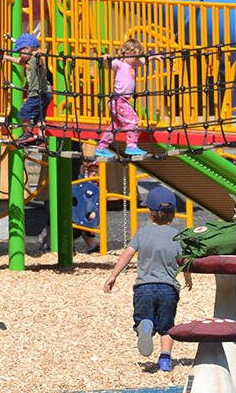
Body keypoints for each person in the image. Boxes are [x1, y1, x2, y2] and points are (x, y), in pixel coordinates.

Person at [103, 186, 191, 373]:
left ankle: (145, 326)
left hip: (144, 287)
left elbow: (128, 253)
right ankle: (165, 360)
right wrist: (187, 277)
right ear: (174, 213)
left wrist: (113, 275)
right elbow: (183, 261)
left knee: (144, 317)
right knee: (167, 326)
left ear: (149, 213)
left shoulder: (141, 233)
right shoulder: (177, 236)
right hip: (168, 288)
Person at [96, 39, 152, 160]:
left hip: (122, 100)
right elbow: (109, 66)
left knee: (115, 126)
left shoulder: (133, 64)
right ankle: (131, 145)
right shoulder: (120, 64)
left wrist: (153, 57)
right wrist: (106, 59)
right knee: (133, 119)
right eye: (135, 56)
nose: (137, 59)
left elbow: (143, 60)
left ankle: (101, 147)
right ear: (126, 53)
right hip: (118, 99)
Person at [2, 33, 50, 147]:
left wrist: (38, 53)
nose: (20, 54)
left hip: (37, 93)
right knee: (40, 117)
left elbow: (41, 61)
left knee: (24, 113)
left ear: (27, 48)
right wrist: (8, 58)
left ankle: (28, 133)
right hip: (46, 93)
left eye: (20, 51)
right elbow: (20, 61)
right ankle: (41, 137)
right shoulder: (28, 60)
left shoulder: (35, 59)